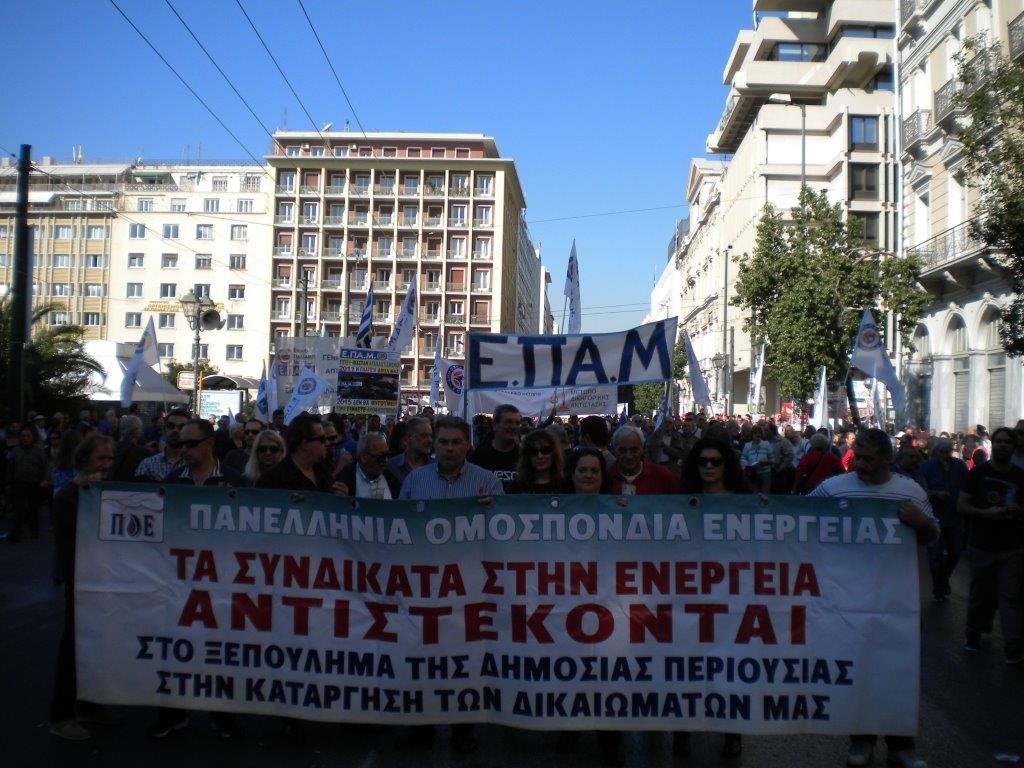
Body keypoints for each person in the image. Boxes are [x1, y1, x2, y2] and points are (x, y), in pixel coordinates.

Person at [809, 428, 938, 768]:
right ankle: (862, 740)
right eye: (858, 458)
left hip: (899, 602)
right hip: (850, 600)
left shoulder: (910, 492)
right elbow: (800, 518)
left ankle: (901, 745)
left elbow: (933, 535)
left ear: (887, 460)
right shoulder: (834, 488)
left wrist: (920, 523)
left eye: (868, 459)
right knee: (859, 669)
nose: (860, 465)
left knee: (899, 671)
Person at [398, 416, 502, 754]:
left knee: (464, 659)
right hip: (424, 583)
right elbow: (398, 527)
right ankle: (422, 725)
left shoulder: (487, 482)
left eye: (456, 442)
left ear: (468, 445)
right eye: (443, 442)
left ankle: (463, 729)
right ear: (434, 444)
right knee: (423, 656)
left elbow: (501, 533)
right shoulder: (415, 480)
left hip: (468, 585)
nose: (450, 448)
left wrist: (491, 512)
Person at [148, 418, 249, 740]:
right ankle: (172, 712)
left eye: (191, 444)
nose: (184, 450)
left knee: (221, 650)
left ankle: (223, 715)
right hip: (179, 579)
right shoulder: (173, 482)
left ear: (209, 443)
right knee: (176, 647)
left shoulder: (236, 482)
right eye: (181, 444)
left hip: (223, 579)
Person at [677, 436, 748, 758]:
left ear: (726, 465)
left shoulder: (744, 502)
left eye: (715, 461)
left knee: (730, 666)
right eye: (702, 461)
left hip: (731, 595)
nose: (708, 467)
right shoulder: (681, 502)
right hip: (688, 594)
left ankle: (732, 731)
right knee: (686, 664)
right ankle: (682, 728)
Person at [49, 433, 115, 740]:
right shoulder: (69, 497)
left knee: (97, 646)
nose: (106, 464)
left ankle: (89, 705)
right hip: (80, 583)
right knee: (73, 649)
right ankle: (61, 716)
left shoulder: (100, 493)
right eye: (101, 458)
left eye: (110, 458)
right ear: (84, 459)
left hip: (102, 581)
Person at [957, 426, 1024, 664]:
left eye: (1008, 442)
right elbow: (962, 505)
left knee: (1010, 597)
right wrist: (986, 513)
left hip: (1012, 548)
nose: (1003, 445)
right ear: (993, 444)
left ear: (1014, 447)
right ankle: (973, 632)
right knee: (980, 594)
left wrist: (1018, 510)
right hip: (982, 545)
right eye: (999, 441)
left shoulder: (1020, 476)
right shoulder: (978, 473)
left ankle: (1013, 647)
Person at [917, 438, 969, 602]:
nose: (945, 455)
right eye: (942, 452)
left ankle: (943, 579)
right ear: (935, 452)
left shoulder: (959, 466)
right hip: (934, 517)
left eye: (948, 452)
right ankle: (939, 588)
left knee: (955, 552)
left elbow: (967, 486)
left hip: (955, 517)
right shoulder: (926, 467)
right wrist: (935, 494)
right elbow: (920, 490)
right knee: (935, 556)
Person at [256, 412, 348, 495]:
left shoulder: (323, 471)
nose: (327, 443)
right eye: (322, 439)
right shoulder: (272, 480)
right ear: (304, 444)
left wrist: (340, 498)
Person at [607, 425, 678, 495]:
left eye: (634, 450)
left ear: (643, 449)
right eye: (622, 451)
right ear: (614, 450)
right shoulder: (606, 477)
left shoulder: (663, 476)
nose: (629, 456)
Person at [5, 425, 48, 541]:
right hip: (18, 483)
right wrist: (8, 483)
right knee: (18, 509)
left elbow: (45, 466)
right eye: (23, 436)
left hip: (34, 484)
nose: (25, 438)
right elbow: (10, 468)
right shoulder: (15, 451)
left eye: (28, 436)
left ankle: (34, 533)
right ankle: (16, 533)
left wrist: (45, 480)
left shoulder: (39, 451)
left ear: (33, 437)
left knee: (33, 509)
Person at [468, 404, 521, 492]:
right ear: (494, 425)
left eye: (517, 423)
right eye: (508, 422)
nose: (513, 427)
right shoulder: (478, 457)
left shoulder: (525, 456)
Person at [337, 432, 402, 499]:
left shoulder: (391, 478)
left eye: (387, 455)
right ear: (364, 457)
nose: (385, 460)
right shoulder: (346, 478)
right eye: (381, 457)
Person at [134, 410, 190, 482]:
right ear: (164, 430)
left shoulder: (195, 465)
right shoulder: (147, 464)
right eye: (170, 426)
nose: (175, 430)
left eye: (181, 427)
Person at [510, 429, 565, 494]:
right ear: (527, 456)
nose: (540, 456)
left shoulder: (566, 485)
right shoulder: (516, 486)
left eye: (545, 450)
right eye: (533, 452)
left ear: (554, 453)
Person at [387, 416, 433, 484]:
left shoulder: (436, 467)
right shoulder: (391, 467)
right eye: (424, 436)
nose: (430, 440)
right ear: (408, 438)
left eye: (431, 436)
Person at [740, 426, 773, 494]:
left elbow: (772, 459)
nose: (757, 435)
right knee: (754, 495)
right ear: (752, 434)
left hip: (765, 474)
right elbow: (743, 459)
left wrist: (765, 462)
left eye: (759, 433)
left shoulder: (766, 444)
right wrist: (749, 465)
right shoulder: (747, 445)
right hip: (752, 474)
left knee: (765, 494)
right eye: (755, 433)